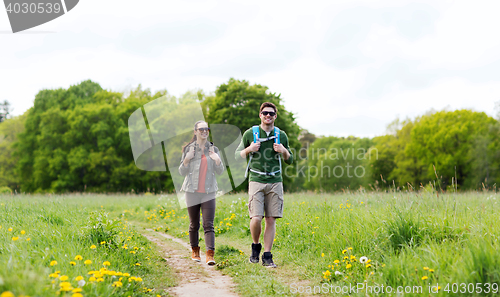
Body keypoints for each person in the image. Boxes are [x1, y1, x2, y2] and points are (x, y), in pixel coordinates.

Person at [235, 102, 293, 268]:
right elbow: (236, 156)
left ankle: (267, 255)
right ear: (260, 115)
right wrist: (249, 149)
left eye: (271, 113)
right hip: (256, 179)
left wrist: (283, 150)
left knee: (270, 219)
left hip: (275, 181)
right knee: (256, 218)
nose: (268, 116)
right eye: (265, 113)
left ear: (275, 116)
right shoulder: (250, 133)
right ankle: (255, 246)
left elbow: (291, 160)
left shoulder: (281, 135)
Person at [179, 120, 224, 265]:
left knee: (208, 224)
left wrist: (217, 161)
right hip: (191, 191)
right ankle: (195, 251)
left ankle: (210, 255)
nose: (204, 131)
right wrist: (186, 160)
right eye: (201, 129)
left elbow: (220, 171)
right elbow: (181, 171)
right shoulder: (188, 149)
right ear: (195, 131)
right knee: (194, 224)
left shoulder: (214, 149)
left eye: (207, 129)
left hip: (209, 191)